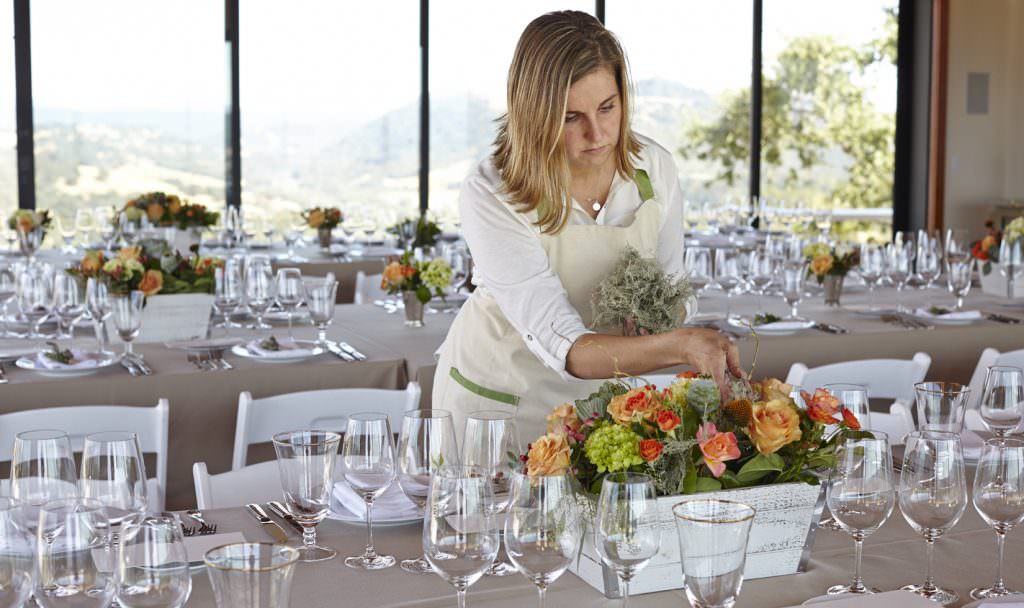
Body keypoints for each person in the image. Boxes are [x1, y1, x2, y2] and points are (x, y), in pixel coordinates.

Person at [432, 10, 744, 441]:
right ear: (534, 114)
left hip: (607, 406)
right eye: (570, 117)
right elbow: (564, 344)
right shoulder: (493, 191)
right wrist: (678, 344)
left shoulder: (652, 169)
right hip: (501, 407)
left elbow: (672, 285)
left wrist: (662, 321)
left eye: (607, 107)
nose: (597, 134)